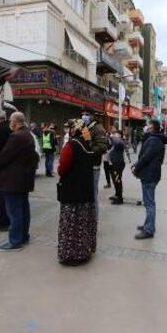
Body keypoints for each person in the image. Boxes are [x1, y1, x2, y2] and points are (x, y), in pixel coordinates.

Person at [0, 112, 40, 251]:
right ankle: (23, 236)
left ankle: (15, 241)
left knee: (14, 211)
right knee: (23, 209)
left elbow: (4, 156)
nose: (10, 123)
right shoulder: (28, 134)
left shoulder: (16, 136)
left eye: (11, 121)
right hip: (24, 179)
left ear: (15, 121)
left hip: (13, 179)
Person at [57, 119, 97, 266]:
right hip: (85, 190)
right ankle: (84, 251)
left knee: (71, 224)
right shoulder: (87, 144)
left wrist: (59, 169)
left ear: (74, 130)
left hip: (72, 190)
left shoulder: (72, 145)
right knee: (84, 222)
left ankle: (71, 255)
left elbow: (63, 168)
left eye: (70, 127)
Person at [132, 120, 167, 239]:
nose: (146, 126)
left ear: (152, 127)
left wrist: (136, 167)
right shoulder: (153, 139)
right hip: (150, 173)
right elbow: (145, 156)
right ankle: (148, 224)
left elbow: (146, 157)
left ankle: (149, 229)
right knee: (148, 202)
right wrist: (136, 165)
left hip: (150, 174)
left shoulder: (154, 140)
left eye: (148, 124)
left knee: (149, 203)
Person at [81, 110, 109, 221]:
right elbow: (85, 142)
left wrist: (88, 149)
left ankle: (94, 220)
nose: (84, 116)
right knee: (85, 194)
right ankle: (87, 217)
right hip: (85, 165)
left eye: (87, 114)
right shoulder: (86, 128)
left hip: (93, 166)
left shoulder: (98, 129)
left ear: (93, 116)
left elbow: (103, 148)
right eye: (83, 114)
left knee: (92, 194)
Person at [108, 129, 126, 205]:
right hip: (113, 163)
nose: (115, 135)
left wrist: (112, 137)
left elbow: (117, 141)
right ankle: (117, 194)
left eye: (117, 134)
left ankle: (120, 198)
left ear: (120, 135)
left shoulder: (120, 141)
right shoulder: (115, 142)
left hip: (118, 164)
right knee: (115, 180)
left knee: (117, 180)